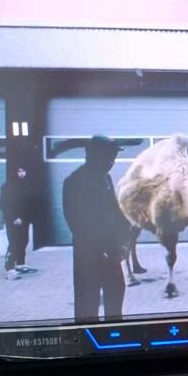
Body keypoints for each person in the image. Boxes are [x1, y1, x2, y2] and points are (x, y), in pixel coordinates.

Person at [63, 136, 132, 321]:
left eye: (114, 158)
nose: (112, 162)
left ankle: (114, 331)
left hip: (111, 252)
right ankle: (87, 336)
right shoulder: (75, 181)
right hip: (89, 256)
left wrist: (127, 227)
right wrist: (103, 249)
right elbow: (77, 223)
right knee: (87, 304)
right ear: (95, 156)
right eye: (109, 157)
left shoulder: (105, 178)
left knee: (116, 294)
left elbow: (114, 210)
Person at [0, 166, 37, 280]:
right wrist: (14, 218)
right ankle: (9, 268)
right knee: (14, 243)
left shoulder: (25, 185)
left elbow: (26, 203)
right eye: (19, 171)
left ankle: (20, 264)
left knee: (24, 240)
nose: (22, 173)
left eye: (24, 171)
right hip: (13, 220)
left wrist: (27, 217)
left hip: (24, 219)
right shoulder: (7, 186)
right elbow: (4, 204)